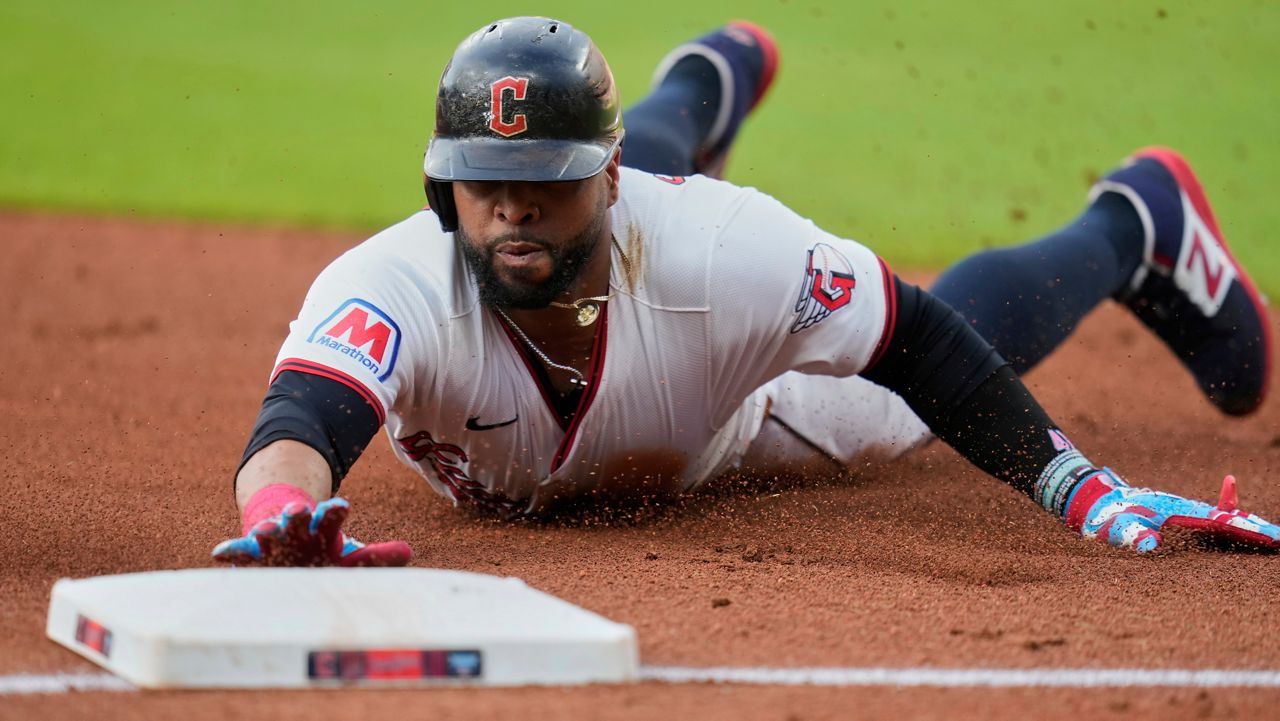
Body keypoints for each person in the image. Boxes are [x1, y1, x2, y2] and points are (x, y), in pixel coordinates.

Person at [213, 17, 1277, 568]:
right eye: (483, 182)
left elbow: (913, 332)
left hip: (724, 419)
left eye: (544, 179)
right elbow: (301, 418)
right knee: (626, 209)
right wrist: (282, 513)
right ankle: (695, 85)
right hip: (643, 230)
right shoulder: (392, 282)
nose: (511, 206)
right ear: (443, 184)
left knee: (891, 418)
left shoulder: (721, 249)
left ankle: (1131, 224)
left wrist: (1077, 487)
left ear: (603, 180)